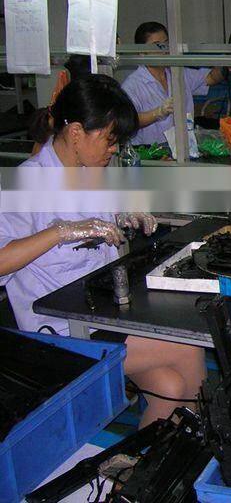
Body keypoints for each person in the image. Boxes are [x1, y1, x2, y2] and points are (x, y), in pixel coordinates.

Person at [2, 75, 206, 427]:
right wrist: (60, 232)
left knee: (169, 386)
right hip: (60, 333)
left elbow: (100, 228)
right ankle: (201, 445)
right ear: (76, 133)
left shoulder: (90, 173)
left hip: (102, 313)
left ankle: (146, 460)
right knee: (188, 346)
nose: (114, 150)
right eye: (109, 140)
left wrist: (124, 214)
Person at [122, 21, 226, 145]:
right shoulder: (132, 85)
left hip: (183, 149)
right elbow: (128, 121)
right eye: (157, 46)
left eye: (166, 44)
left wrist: (225, 65)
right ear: (142, 52)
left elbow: (212, 78)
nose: (165, 50)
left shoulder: (178, 74)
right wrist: (158, 112)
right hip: (150, 152)